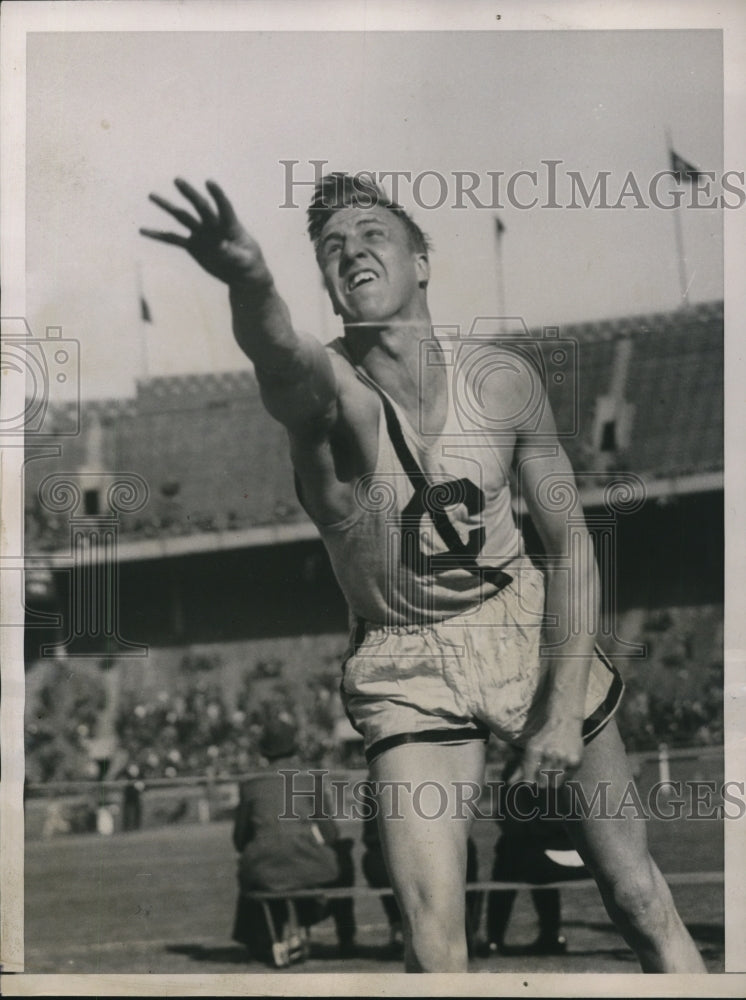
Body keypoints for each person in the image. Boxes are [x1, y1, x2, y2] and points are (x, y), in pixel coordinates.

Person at [141, 173, 706, 973]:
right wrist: (250, 279)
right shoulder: (334, 397)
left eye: (372, 233)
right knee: (435, 941)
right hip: (406, 654)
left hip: (524, 626)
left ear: (423, 261)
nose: (351, 251)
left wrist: (558, 707)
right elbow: (280, 356)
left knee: (639, 897)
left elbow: (570, 543)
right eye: (331, 247)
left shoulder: (504, 381)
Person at [230, 715, 355, 963]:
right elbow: (331, 834)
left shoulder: (250, 785)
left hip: (263, 871)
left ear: (263, 750)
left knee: (259, 870)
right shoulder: (310, 778)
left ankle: (266, 937)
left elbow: (239, 840)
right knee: (342, 858)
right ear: (295, 746)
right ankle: (346, 936)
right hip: (306, 866)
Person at [483, 750, 590, 956]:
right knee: (526, 854)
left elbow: (509, 822)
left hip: (550, 857)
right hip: (587, 855)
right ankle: (549, 935)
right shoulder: (570, 761)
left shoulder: (518, 770)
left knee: (509, 855)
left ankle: (494, 939)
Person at [359, 780, 481, 956]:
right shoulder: (386, 779)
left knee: (462, 851)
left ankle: (456, 929)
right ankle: (460, 931)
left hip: (415, 856)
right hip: (404, 858)